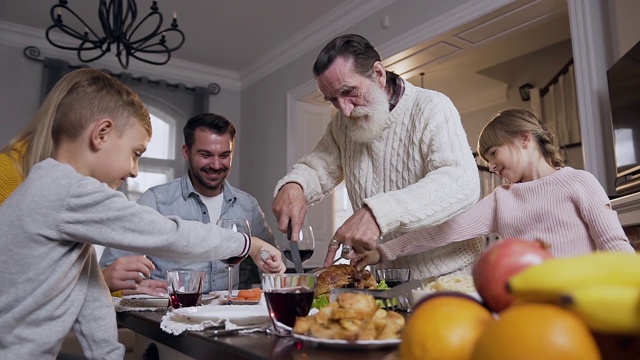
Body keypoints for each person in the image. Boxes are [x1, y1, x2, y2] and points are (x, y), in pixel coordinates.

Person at [0, 68, 284, 359]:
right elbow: (170, 234)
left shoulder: (54, 190)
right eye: (135, 152)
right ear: (101, 134)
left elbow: (90, 293)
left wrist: (110, 355)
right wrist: (247, 243)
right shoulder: (67, 191)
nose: (135, 169)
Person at [272, 34, 481, 280]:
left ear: (379, 74)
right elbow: (318, 168)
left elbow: (460, 181)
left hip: (451, 278)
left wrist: (378, 213)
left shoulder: (432, 106)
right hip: (387, 281)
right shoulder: (342, 125)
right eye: (333, 101)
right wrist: (295, 185)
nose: (345, 110)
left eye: (349, 91)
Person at [354, 108, 635, 269]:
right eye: (487, 160)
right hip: (521, 308)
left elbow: (614, 245)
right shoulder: (502, 199)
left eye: (494, 153)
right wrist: (383, 251)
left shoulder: (580, 182)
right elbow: (445, 230)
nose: (491, 166)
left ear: (525, 140)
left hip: (581, 306)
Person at [0, 71, 165, 297]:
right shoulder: (5, 174)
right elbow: (19, 288)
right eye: (135, 153)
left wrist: (117, 287)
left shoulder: (68, 192)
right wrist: (104, 279)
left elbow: (55, 273)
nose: (135, 172)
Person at [100, 113, 279, 294]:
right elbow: (112, 269)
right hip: (167, 317)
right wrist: (135, 287)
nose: (216, 165)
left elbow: (268, 256)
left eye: (224, 155)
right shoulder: (157, 201)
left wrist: (272, 265)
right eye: (206, 155)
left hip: (230, 318)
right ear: (186, 152)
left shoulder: (248, 206)